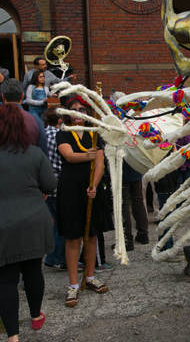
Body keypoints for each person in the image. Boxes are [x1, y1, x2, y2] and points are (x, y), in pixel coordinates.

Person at [0, 104, 57, 342]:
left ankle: (13, 335)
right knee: (33, 270)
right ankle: (35, 316)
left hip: (4, 223)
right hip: (35, 218)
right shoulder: (34, 153)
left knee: (6, 279)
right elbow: (51, 184)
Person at [56, 95, 112, 307]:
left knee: (92, 235)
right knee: (73, 238)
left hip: (90, 190)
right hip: (70, 188)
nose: (78, 111)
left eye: (82, 108)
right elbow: (69, 156)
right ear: (68, 113)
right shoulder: (63, 133)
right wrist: (87, 156)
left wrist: (94, 186)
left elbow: (99, 164)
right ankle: (72, 286)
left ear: (87, 112)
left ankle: (90, 279)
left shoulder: (94, 133)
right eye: (74, 108)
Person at [43, 105, 67, 270]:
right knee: (61, 224)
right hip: (59, 185)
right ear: (59, 120)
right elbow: (61, 163)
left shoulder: (43, 134)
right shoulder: (59, 136)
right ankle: (54, 258)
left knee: (56, 223)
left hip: (46, 186)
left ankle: (54, 256)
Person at [1, 79, 48, 156]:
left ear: (2, 97)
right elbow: (43, 153)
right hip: (30, 165)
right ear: (22, 96)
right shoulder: (35, 120)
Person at [122, 160, 149, 250]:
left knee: (123, 203)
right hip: (135, 166)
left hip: (121, 167)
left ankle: (127, 238)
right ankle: (143, 233)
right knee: (138, 200)